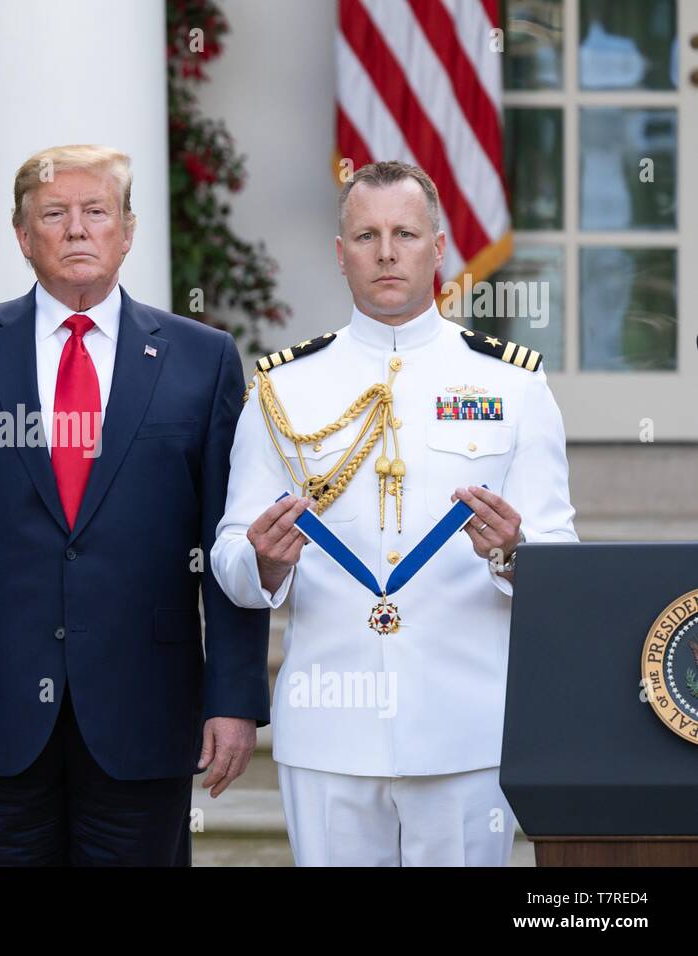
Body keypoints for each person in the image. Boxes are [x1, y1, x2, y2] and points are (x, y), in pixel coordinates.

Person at [0, 144, 270, 866]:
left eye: (97, 211)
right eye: (55, 214)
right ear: (23, 237)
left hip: (144, 713)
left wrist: (234, 698)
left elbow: (230, 544)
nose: (78, 229)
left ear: (128, 230)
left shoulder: (201, 357)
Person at [212, 160, 577, 866]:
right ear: (340, 253)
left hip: (464, 726)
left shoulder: (511, 383)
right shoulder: (283, 387)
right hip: (329, 727)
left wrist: (512, 550)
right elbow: (229, 554)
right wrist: (260, 560)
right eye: (367, 235)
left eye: (406, 234)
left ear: (438, 249)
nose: (386, 253)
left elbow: (562, 564)